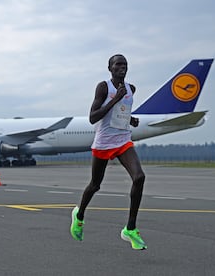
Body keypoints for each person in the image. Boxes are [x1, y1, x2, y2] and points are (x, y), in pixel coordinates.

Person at [70, 54, 147, 250]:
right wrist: (114, 99)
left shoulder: (131, 89)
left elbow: (121, 112)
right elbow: (93, 118)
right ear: (110, 68)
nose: (122, 68)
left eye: (125, 65)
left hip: (122, 140)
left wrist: (131, 119)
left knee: (139, 177)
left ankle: (130, 228)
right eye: (118, 65)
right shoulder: (104, 87)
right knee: (95, 185)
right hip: (104, 142)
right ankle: (79, 216)